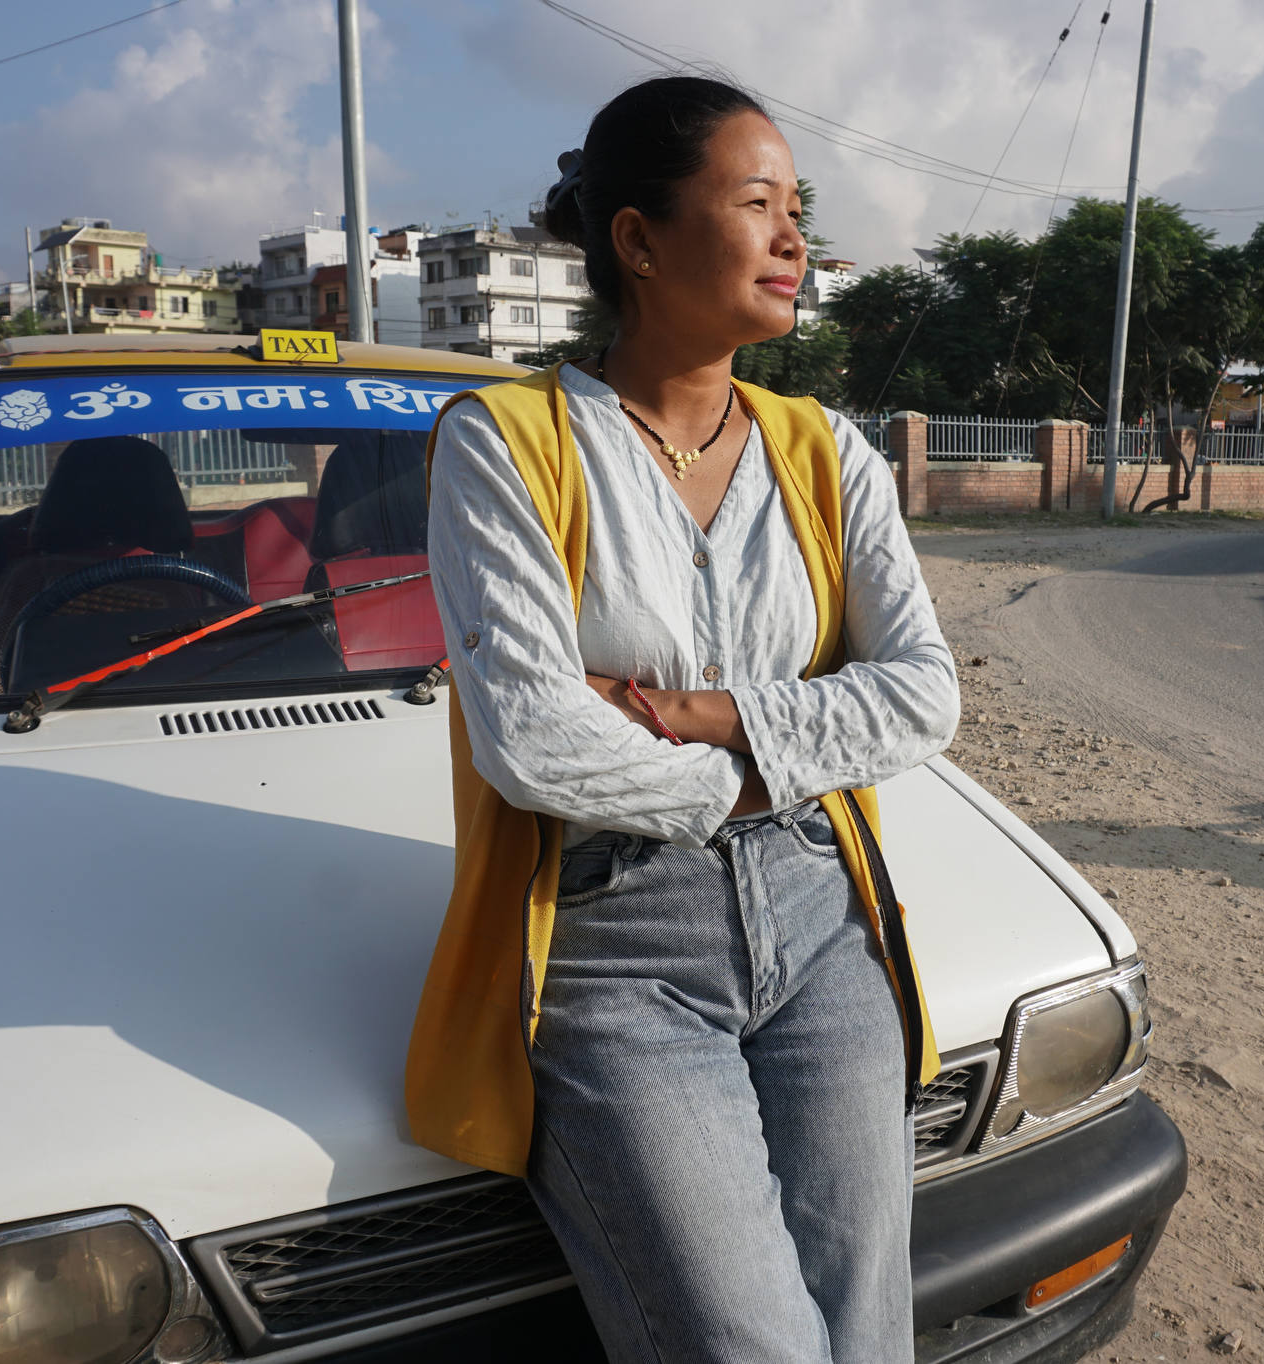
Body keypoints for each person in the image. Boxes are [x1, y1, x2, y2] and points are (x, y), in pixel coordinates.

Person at [406, 75, 961, 1363]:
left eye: (797, 211)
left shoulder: (828, 450)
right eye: (756, 204)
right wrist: (770, 765)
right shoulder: (508, 441)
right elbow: (536, 740)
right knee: (751, 1347)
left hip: (824, 926)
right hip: (618, 947)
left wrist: (704, 718)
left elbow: (924, 693)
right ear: (639, 241)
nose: (792, 241)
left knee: (869, 1335)